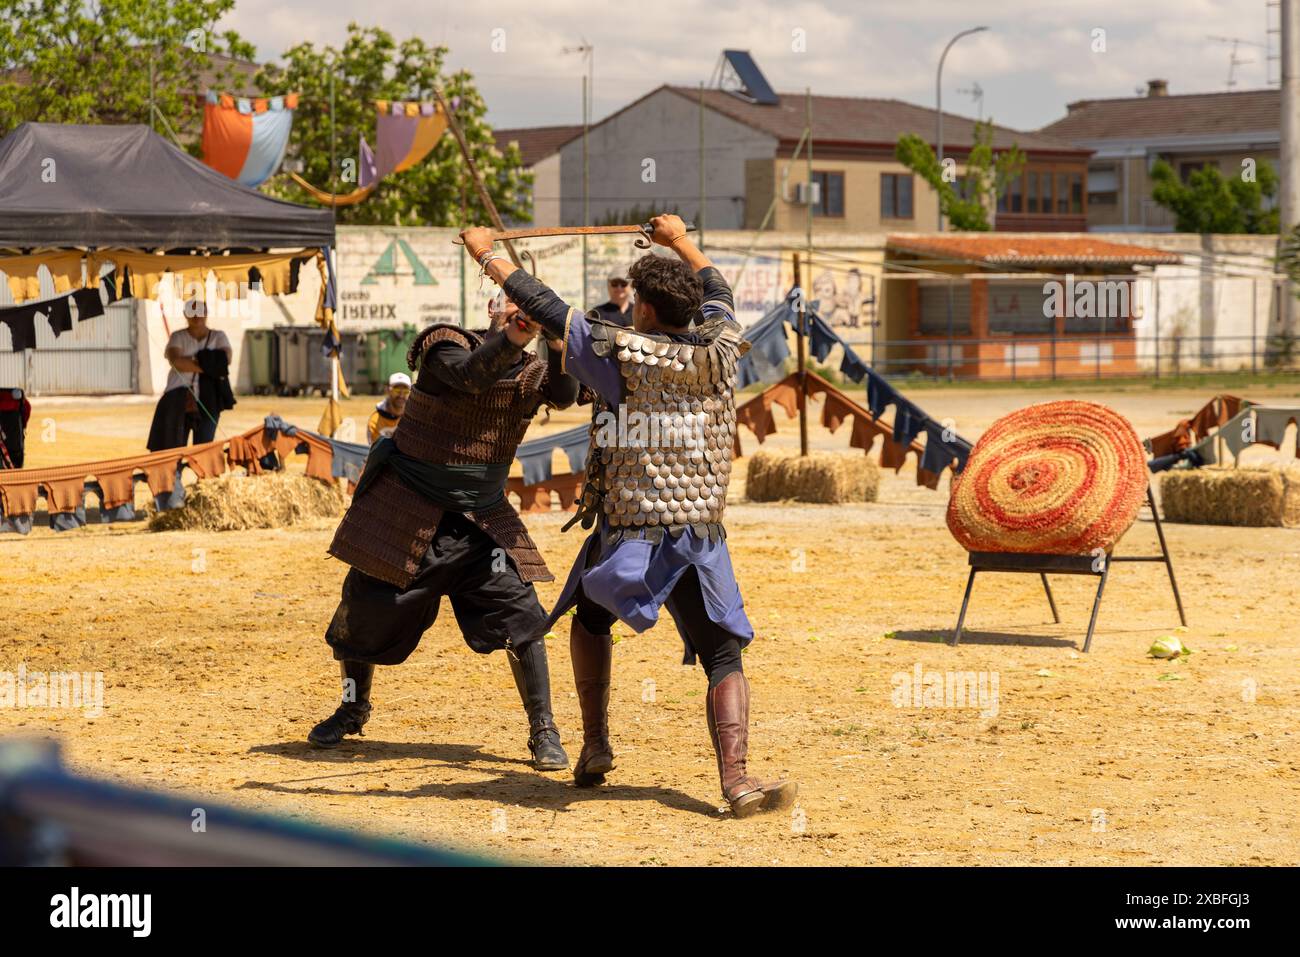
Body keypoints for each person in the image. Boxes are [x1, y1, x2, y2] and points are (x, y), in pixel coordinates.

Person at [460, 214, 798, 818]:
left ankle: (594, 744)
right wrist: (681, 241)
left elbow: (548, 305)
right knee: (724, 655)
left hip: (631, 541)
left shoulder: (621, 355)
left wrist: (487, 256)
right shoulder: (721, 348)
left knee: (589, 621)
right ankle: (738, 781)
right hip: (700, 538)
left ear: (640, 309)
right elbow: (717, 289)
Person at [310, 295, 580, 773]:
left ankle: (544, 729)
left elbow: (562, 393)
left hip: (481, 523)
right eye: (511, 307)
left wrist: (560, 337)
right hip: (407, 510)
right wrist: (518, 330)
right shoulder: (446, 344)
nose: (517, 318)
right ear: (493, 305)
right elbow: (471, 376)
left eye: (526, 313)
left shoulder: (532, 367)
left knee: (523, 619)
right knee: (361, 615)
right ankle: (354, 709)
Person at [147, 300, 234, 451]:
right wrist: (211, 365)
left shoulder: (218, 336)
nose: (196, 316)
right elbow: (176, 362)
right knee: (174, 447)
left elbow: (226, 361)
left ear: (206, 313)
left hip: (209, 398)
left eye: (200, 311)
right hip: (179, 397)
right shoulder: (178, 337)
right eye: (192, 312)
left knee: (203, 448)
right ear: (185, 314)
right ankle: (176, 474)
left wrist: (191, 362)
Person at [367, 372, 411, 444]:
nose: (401, 395)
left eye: (405, 391)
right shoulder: (375, 421)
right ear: (388, 390)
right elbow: (375, 452)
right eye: (397, 390)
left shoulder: (413, 419)